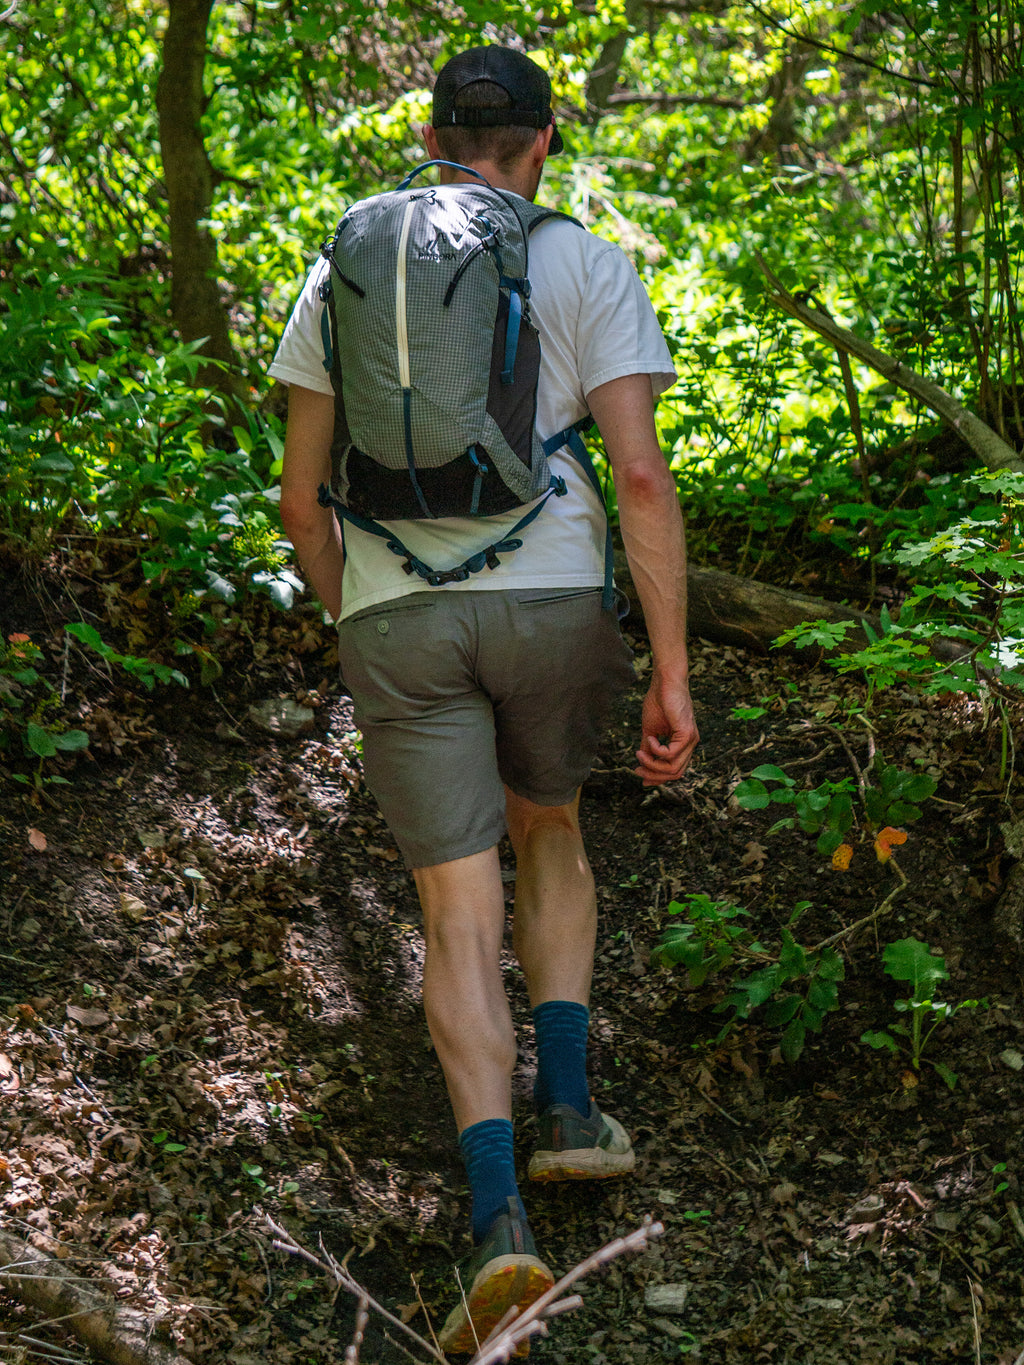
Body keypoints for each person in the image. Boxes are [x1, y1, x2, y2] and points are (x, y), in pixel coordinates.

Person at [268, 43, 699, 1354]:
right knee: (550, 826)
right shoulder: (584, 261)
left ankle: (498, 1221)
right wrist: (672, 665)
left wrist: (366, 612)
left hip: (396, 616)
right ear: (544, 141)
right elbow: (636, 477)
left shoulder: (344, 261)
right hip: (556, 606)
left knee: (456, 910)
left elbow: (299, 498)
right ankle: (571, 1114)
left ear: (433, 132)